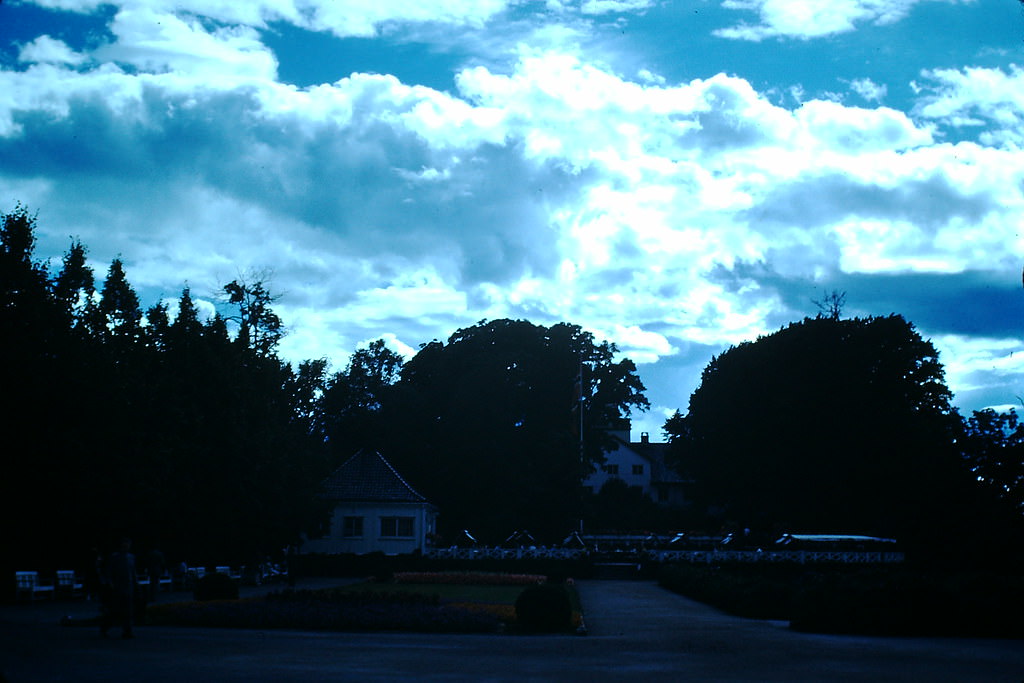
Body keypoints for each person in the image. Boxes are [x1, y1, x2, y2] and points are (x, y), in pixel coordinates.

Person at [101, 538, 137, 639]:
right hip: (117, 587)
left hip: (129, 587)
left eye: (128, 544)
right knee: (114, 610)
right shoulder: (114, 557)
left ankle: (127, 631)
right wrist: (110, 584)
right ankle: (105, 628)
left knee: (128, 611)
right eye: (125, 544)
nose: (126, 546)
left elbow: (133, 572)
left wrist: (135, 584)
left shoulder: (131, 557)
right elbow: (109, 572)